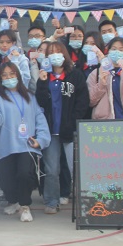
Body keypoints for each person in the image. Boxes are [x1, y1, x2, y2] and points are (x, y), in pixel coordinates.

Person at [0, 62, 51, 222]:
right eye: (5, 75)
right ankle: (14, 201)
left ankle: (25, 206)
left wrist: (41, 140)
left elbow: (39, 118)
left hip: (27, 145)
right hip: (6, 145)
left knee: (25, 174)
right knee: (6, 178)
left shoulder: (30, 97)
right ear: (0, 79)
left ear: (18, 75)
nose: (9, 78)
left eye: (12, 74)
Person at [35, 41, 90, 215]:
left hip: (69, 130)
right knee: (52, 169)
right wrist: (42, 83)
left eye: (58, 51)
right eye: (51, 52)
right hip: (51, 131)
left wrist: (73, 122)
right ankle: (52, 201)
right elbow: (40, 102)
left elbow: (83, 101)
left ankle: (86, 202)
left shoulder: (75, 75)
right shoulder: (44, 77)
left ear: (64, 54)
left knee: (76, 168)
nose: (55, 55)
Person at [87, 38, 123, 120]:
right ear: (108, 51)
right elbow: (90, 101)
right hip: (103, 122)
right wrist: (101, 84)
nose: (117, 52)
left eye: (121, 50)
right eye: (114, 49)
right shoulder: (96, 73)